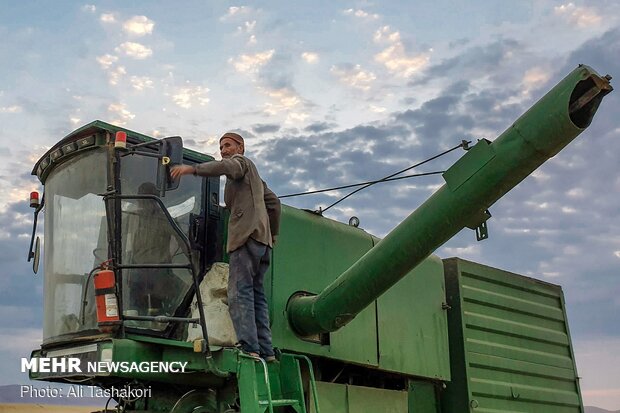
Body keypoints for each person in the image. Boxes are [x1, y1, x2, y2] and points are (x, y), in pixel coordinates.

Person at [171, 132, 281, 360]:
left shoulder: (241, 163)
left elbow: (227, 167)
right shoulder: (256, 181)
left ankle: (249, 347)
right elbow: (275, 204)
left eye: (228, 145)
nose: (223, 150)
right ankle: (266, 350)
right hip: (263, 241)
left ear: (241, 147)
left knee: (239, 292)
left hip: (246, 237)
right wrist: (273, 233)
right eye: (221, 147)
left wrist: (192, 170)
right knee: (256, 294)